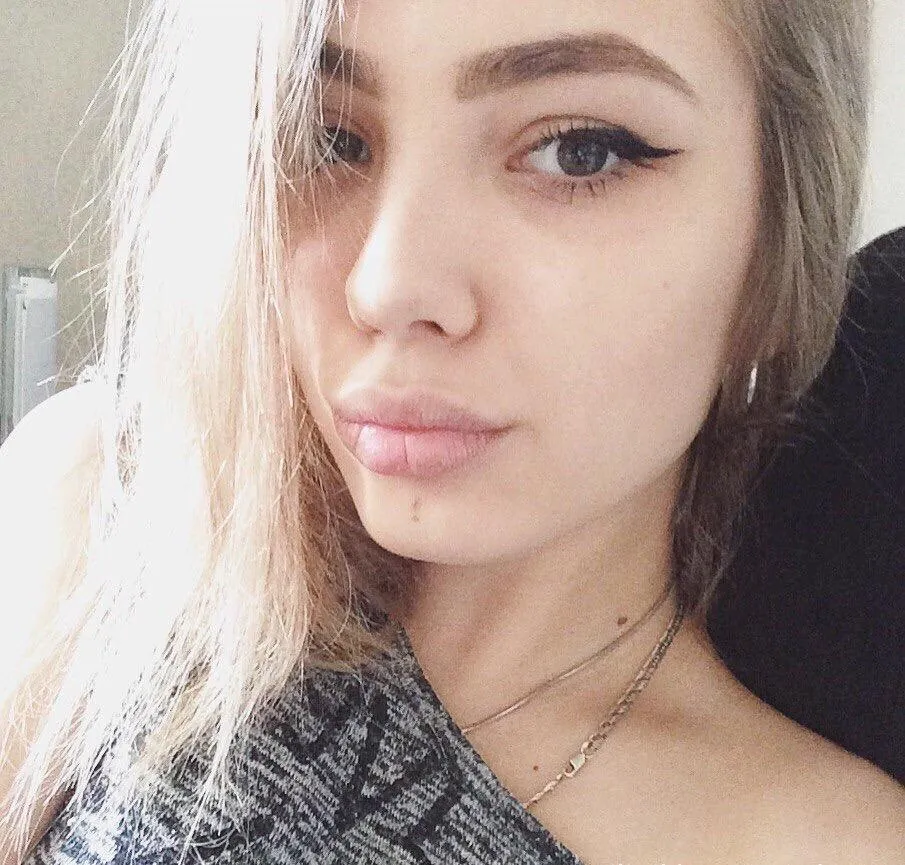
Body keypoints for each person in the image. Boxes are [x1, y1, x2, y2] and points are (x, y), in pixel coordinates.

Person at [1, 0, 902, 863]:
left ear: (773, 248)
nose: (388, 286)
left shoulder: (827, 844)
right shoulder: (105, 520)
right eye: (328, 138)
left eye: (578, 152)